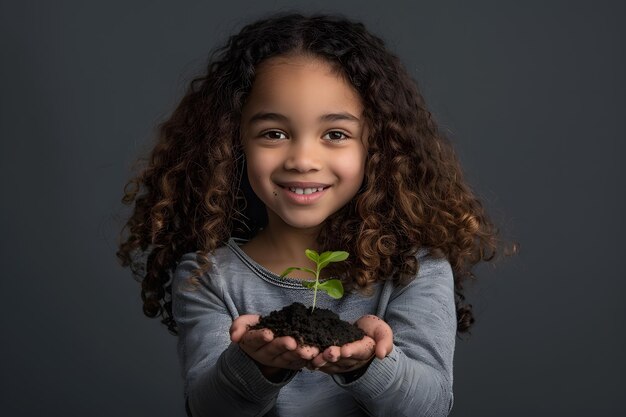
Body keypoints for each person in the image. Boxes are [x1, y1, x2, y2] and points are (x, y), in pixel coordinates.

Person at [117, 12, 502, 417]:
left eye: (335, 134)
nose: (303, 160)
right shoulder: (207, 277)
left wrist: (368, 364)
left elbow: (431, 406)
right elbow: (208, 408)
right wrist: (254, 363)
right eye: (274, 133)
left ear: (376, 147)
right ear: (234, 143)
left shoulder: (416, 270)